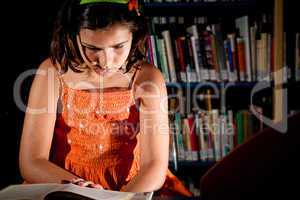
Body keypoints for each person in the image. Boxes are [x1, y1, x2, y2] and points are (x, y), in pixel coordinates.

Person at [19, 0, 192, 197]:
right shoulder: (52, 72)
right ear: (74, 34)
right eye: (92, 48)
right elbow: (31, 162)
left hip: (132, 188)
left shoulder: (147, 78)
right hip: (63, 186)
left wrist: (117, 197)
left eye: (118, 46)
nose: (106, 62)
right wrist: (78, 189)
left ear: (134, 35)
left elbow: (154, 166)